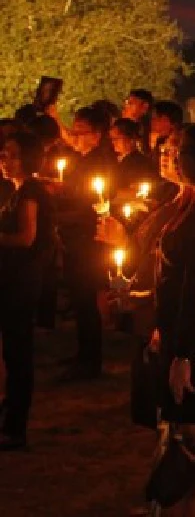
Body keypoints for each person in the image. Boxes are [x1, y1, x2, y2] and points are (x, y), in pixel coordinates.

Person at [102, 124, 195, 516]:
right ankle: (173, 503)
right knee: (176, 426)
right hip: (181, 329)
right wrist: (142, 297)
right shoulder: (189, 205)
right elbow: (175, 283)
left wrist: (184, 355)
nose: (178, 158)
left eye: (187, 152)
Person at [0, 132, 55, 450]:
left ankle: (15, 425)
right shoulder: (17, 190)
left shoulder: (31, 191)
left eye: (12, 155)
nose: (5, 160)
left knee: (18, 352)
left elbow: (26, 237)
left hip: (21, 281)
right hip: (14, 279)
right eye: (3, 154)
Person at [57, 105, 115, 380]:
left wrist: (60, 213)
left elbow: (91, 205)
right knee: (80, 300)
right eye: (74, 131)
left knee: (86, 299)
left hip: (88, 239)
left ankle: (90, 361)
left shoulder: (99, 163)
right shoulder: (83, 159)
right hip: (75, 235)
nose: (75, 137)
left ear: (97, 134)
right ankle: (83, 353)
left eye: (81, 133)